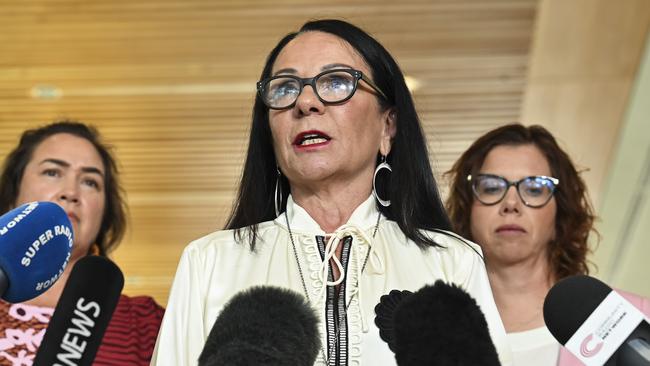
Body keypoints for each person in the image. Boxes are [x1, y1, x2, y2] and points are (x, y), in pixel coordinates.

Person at [152, 19, 512, 366]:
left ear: (388, 127)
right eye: (285, 88)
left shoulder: (452, 262)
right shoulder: (210, 263)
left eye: (337, 82)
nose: (306, 103)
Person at [445, 123, 650, 366]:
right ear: (468, 211)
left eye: (534, 189)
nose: (511, 203)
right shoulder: (431, 334)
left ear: (559, 217)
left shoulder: (634, 318)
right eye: (491, 187)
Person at [0, 121, 165, 365]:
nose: (71, 192)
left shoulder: (145, 324)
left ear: (104, 212)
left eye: (90, 182)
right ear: (13, 196)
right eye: (52, 172)